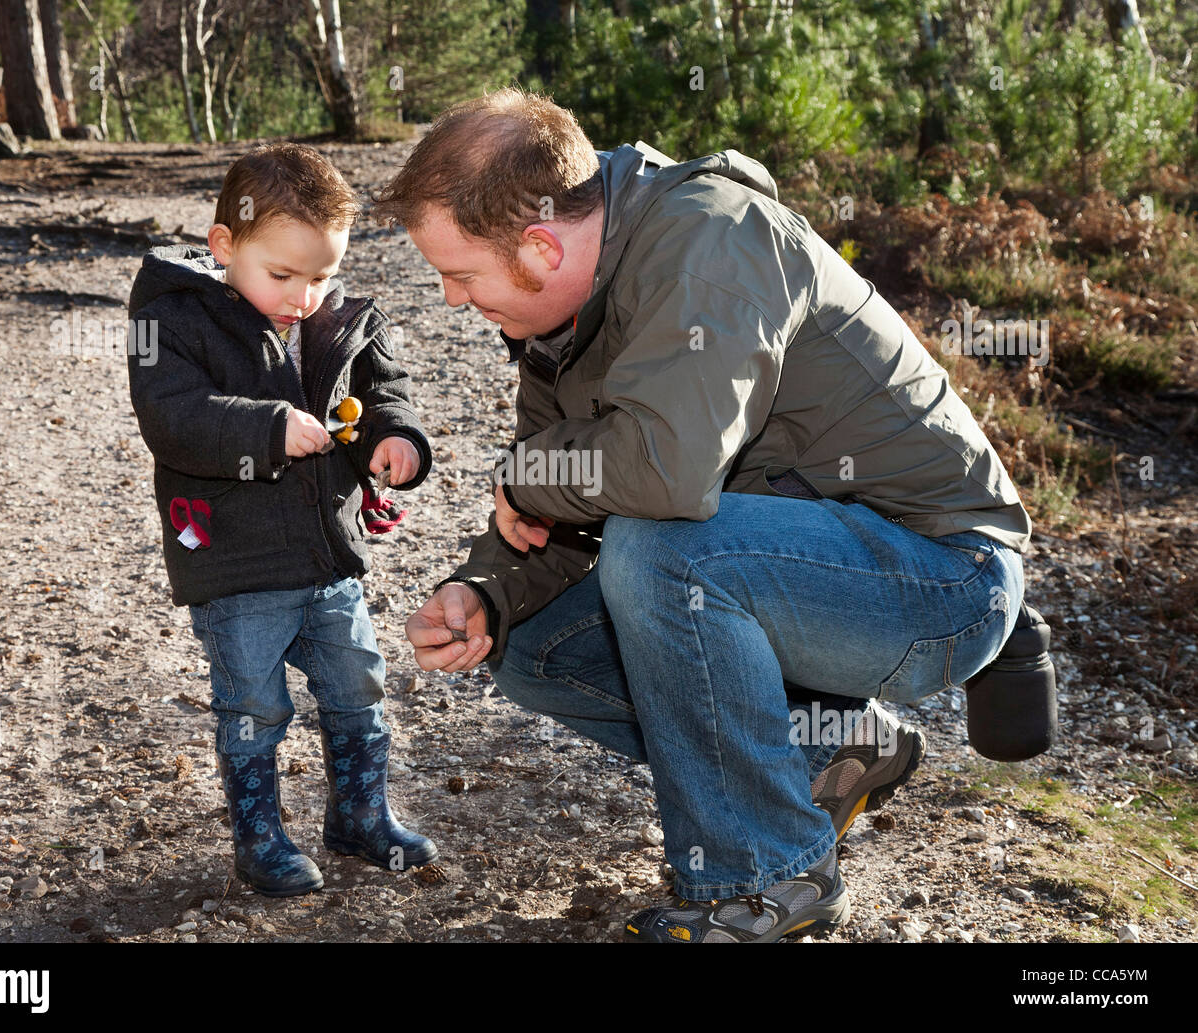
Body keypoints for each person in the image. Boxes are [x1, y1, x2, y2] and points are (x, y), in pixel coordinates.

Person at [379, 88, 1031, 942]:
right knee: (535, 646)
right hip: (793, 566)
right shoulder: (560, 317)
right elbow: (567, 501)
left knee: (660, 555)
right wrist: (486, 591)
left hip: (941, 578)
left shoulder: (712, 240)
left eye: (460, 274)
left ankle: (764, 878)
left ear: (540, 246)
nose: (452, 299)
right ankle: (827, 749)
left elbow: (660, 471)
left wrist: (526, 474)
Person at [126, 142, 437, 898]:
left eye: (324, 275)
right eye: (284, 274)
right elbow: (172, 419)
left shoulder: (339, 320)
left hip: (329, 554)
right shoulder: (173, 317)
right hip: (236, 563)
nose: (304, 295)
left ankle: (360, 812)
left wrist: (394, 445)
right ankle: (259, 834)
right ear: (224, 245)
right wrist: (267, 427)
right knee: (255, 701)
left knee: (357, 684)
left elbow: (384, 393)